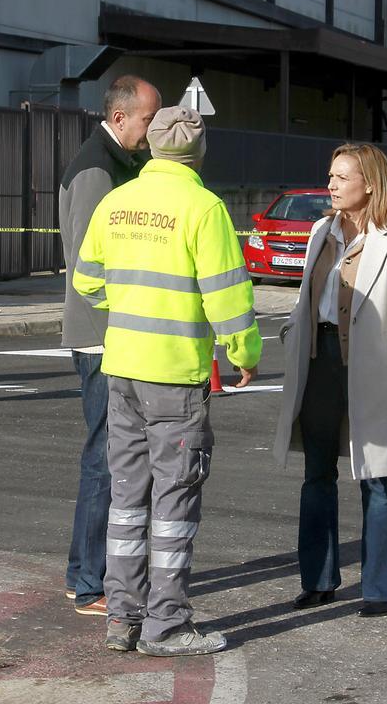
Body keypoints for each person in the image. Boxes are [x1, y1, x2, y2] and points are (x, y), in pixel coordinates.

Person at [73, 106, 261, 657]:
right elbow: (228, 295)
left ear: (151, 148)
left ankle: (122, 618)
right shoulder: (204, 208)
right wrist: (242, 351)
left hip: (123, 368)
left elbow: (87, 281)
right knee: (175, 501)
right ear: (198, 155)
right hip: (175, 377)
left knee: (128, 497)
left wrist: (125, 308)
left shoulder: (117, 202)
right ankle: (168, 625)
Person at [273, 143, 387, 618]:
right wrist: (291, 332)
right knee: (317, 474)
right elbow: (305, 301)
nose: (331, 185)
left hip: (370, 367)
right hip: (317, 362)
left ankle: (383, 586)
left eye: (341, 177)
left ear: (370, 183)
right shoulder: (320, 229)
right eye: (330, 175)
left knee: (377, 477)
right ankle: (318, 581)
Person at [58, 75, 162, 618]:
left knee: (107, 453)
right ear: (119, 118)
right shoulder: (97, 168)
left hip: (109, 332)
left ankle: (85, 572)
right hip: (101, 336)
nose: (153, 129)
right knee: (105, 455)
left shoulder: (117, 160)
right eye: (148, 119)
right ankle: (88, 580)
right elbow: (89, 265)